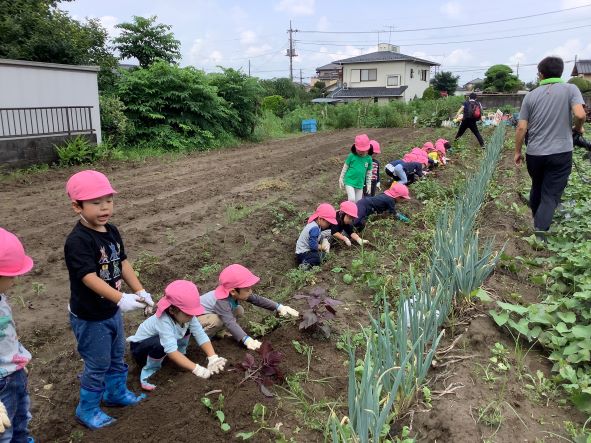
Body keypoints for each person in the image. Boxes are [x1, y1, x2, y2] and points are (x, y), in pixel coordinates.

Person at [64, 170, 154, 430]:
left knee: (116, 355)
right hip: (90, 316)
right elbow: (87, 277)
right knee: (97, 363)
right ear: (76, 206)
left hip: (111, 310)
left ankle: (114, 394)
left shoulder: (111, 230)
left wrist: (138, 290)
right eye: (95, 202)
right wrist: (120, 298)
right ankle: (87, 408)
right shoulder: (78, 241)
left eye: (108, 200)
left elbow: (121, 261)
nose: (104, 207)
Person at [514, 56, 586, 238]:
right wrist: (578, 128)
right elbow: (580, 114)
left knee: (537, 186)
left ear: (540, 74)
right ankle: (539, 233)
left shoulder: (530, 95)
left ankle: (537, 220)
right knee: (550, 194)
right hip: (560, 152)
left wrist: (517, 151)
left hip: (534, 153)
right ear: (561, 72)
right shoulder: (571, 89)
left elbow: (522, 127)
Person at [127, 280, 227, 391]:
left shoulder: (187, 317)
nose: (192, 315)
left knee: (187, 328)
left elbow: (200, 333)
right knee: (160, 344)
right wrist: (197, 369)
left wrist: (212, 357)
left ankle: (181, 357)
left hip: (164, 347)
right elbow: (172, 353)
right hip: (141, 349)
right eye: (188, 313)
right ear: (172, 310)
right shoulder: (163, 320)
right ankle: (149, 373)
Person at [198, 264, 299, 350]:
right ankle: (202, 339)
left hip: (209, 315)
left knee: (238, 310)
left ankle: (218, 333)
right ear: (233, 291)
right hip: (193, 321)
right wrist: (246, 339)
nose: (250, 292)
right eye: (247, 289)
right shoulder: (221, 301)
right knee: (217, 321)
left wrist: (279, 307)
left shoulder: (231, 293)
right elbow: (229, 322)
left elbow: (257, 299)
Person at [0, 228, 35, 442]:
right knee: (5, 432)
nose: (15, 280)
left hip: (13, 374)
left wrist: (18, 356)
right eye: (10, 276)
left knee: (21, 420)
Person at [295, 203, 337, 267]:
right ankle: (305, 264)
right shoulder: (314, 228)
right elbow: (313, 246)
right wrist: (323, 247)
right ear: (320, 219)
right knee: (320, 257)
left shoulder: (316, 224)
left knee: (322, 255)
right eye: (328, 222)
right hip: (303, 253)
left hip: (305, 252)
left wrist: (324, 241)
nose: (329, 225)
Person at [339, 134, 374, 202]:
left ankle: (351, 212)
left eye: (363, 150)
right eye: (359, 150)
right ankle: (347, 210)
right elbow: (345, 167)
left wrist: (369, 184)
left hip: (360, 184)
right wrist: (341, 178)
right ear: (355, 147)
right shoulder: (352, 156)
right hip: (349, 181)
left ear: (368, 148)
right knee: (352, 199)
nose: (361, 152)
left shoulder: (369, 159)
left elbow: (369, 173)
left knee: (358, 202)